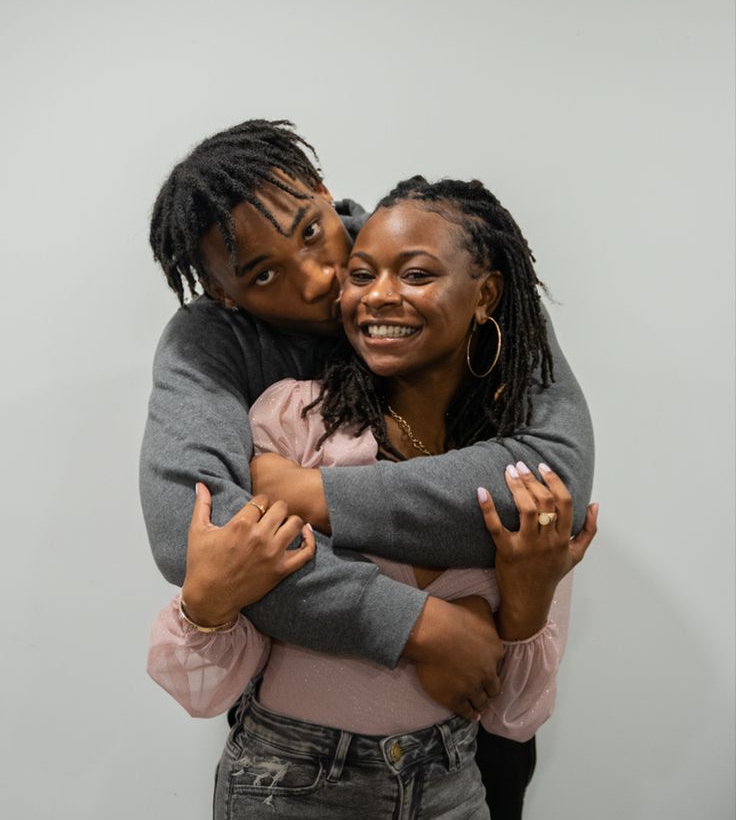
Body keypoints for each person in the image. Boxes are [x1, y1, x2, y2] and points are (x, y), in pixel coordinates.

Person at [140, 120, 595, 818]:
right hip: (298, 761)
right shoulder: (225, 355)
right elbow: (194, 539)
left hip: (468, 745)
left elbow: (552, 478)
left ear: (325, 195)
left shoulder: (442, 254)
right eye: (264, 276)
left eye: (313, 232)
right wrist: (417, 627)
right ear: (226, 295)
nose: (319, 277)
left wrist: (312, 494)